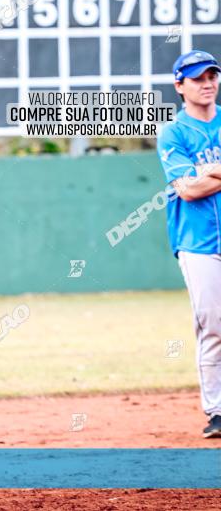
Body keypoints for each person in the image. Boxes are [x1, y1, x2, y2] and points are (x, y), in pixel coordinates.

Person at [157, 50, 221, 438]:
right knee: (213, 324)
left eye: (212, 75)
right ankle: (217, 410)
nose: (208, 83)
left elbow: (202, 179)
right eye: (197, 78)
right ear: (180, 86)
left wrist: (209, 170)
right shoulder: (174, 132)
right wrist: (203, 177)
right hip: (198, 242)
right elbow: (189, 189)